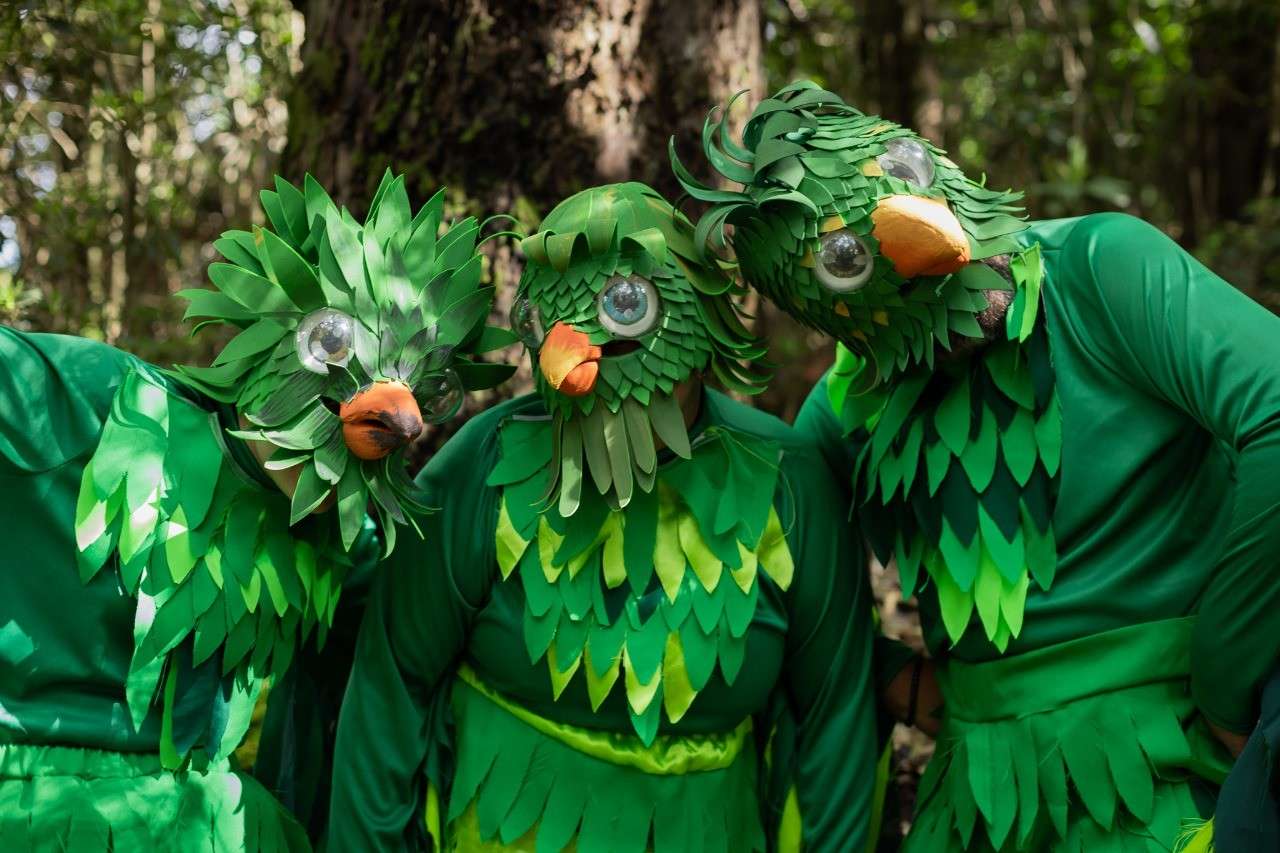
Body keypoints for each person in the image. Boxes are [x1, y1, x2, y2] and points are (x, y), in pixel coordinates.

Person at [675, 81, 1280, 851]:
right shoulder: (843, 414)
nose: (934, 244)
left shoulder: (1099, 270)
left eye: (905, 170)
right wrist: (907, 681)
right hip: (977, 802)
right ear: (830, 315)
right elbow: (796, 605)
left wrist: (1228, 676)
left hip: (1176, 766)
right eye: (846, 260)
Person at [328, 182, 879, 852]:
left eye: (624, 304)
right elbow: (391, 685)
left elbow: (837, 712)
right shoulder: (485, 465)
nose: (574, 349)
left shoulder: (788, 480)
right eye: (546, 317)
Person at [0, 172, 512, 852]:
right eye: (334, 347)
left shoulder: (344, 540)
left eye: (421, 386)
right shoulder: (95, 404)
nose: (394, 405)